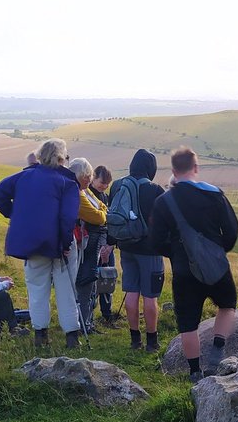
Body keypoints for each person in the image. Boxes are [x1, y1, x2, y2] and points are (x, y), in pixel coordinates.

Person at [149, 146, 238, 382]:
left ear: (174, 170)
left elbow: (155, 240)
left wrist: (177, 254)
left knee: (188, 322)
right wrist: (217, 251)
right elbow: (231, 230)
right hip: (216, 267)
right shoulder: (215, 194)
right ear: (196, 167)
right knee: (228, 304)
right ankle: (217, 352)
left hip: (183, 270)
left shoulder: (164, 201)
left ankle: (194, 372)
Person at [0, 137, 82, 350]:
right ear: (61, 158)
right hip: (60, 246)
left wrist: (17, 216)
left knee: (37, 289)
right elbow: (68, 218)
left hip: (32, 244)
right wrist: (66, 243)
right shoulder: (67, 183)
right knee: (66, 290)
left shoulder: (23, 177)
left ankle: (41, 335)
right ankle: (72, 337)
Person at [112, 149, 166, 352]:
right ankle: (152, 341)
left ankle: (135, 340)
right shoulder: (155, 190)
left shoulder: (117, 186)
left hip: (126, 246)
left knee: (132, 292)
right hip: (150, 250)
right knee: (150, 296)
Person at [69, 157, 108, 335]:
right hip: (84, 246)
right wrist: (102, 213)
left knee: (90, 282)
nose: (89, 179)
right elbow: (98, 217)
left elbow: (102, 206)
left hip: (92, 246)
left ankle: (87, 322)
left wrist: (101, 212)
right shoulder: (77, 193)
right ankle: (81, 325)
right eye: (87, 176)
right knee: (84, 283)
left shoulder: (85, 192)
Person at [89, 165, 118, 326]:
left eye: (107, 183)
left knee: (109, 280)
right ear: (93, 177)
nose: (104, 186)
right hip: (93, 245)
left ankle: (107, 314)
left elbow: (110, 222)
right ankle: (89, 315)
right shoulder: (87, 195)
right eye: (102, 182)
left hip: (107, 244)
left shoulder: (105, 197)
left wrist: (109, 245)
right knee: (92, 279)